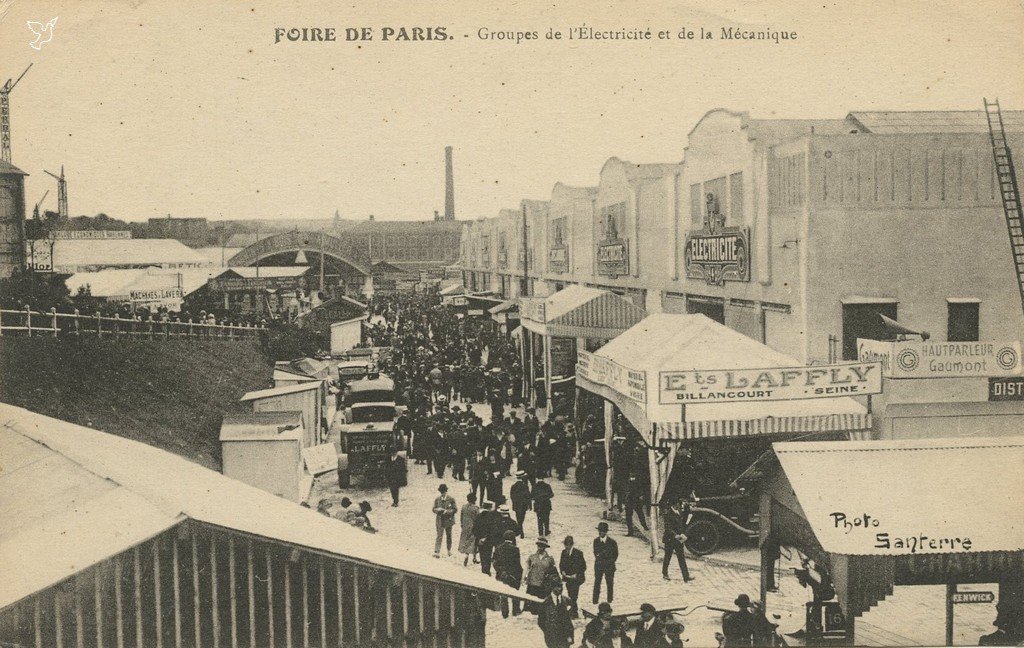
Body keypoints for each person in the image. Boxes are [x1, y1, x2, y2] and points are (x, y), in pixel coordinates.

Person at [492, 530, 523, 618]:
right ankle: (515, 610)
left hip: (501, 575)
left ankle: (504, 613)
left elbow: (494, 562)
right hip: (512, 575)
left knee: (503, 594)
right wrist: (518, 575)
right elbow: (517, 564)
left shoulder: (498, 548)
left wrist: (501, 571)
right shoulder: (515, 549)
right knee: (514, 592)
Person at [662, 501, 693, 582]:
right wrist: (675, 535)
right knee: (667, 557)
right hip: (670, 539)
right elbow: (667, 527)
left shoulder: (679, 512)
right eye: (678, 505)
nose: (679, 506)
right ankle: (664, 573)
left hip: (678, 540)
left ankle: (686, 576)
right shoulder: (668, 513)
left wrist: (682, 534)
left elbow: (682, 524)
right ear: (674, 505)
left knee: (681, 558)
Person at [538, 581, 575, 648]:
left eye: (561, 586)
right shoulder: (545, 603)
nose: (560, 589)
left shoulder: (567, 600)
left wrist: (570, 635)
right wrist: (548, 632)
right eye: (557, 587)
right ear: (552, 588)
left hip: (565, 636)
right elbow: (541, 621)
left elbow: (569, 620)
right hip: (552, 637)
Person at [525, 537, 557, 613]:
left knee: (541, 607)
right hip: (532, 584)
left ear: (545, 547)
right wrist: (525, 577)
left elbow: (553, 571)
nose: (540, 547)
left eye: (542, 546)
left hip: (542, 585)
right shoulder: (532, 557)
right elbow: (527, 568)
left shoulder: (549, 559)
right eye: (539, 545)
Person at [558, 535, 586, 617]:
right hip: (568, 578)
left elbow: (583, 566)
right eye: (566, 545)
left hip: (577, 578)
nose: (567, 547)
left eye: (568, 545)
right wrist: (562, 571)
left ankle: (574, 611)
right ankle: (574, 609)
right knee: (570, 593)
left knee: (574, 594)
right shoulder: (563, 552)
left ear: (572, 545)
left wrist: (576, 574)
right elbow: (561, 564)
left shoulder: (578, 553)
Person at [592, 522, 619, 605]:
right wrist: (603, 556)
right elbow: (596, 553)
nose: (601, 533)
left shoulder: (612, 542)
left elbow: (615, 555)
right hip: (599, 566)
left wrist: (608, 560)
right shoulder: (596, 541)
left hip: (609, 566)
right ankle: (595, 601)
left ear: (606, 532)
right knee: (597, 583)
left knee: (610, 584)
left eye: (603, 531)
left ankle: (609, 600)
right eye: (599, 531)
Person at [433, 483, 458, 557]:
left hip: (448, 520)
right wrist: (437, 510)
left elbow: (455, 509)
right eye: (441, 492)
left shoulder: (451, 499)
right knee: (439, 535)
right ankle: (437, 551)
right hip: (440, 520)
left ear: (446, 491)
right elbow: (433, 508)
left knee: (449, 535)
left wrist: (447, 511)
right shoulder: (437, 499)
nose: (442, 494)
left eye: (443, 492)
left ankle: (449, 550)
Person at [459, 492, 480, 567]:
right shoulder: (476, 508)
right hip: (473, 527)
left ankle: (466, 555)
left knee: (466, 542)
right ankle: (474, 557)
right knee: (474, 542)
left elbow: (461, 517)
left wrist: (462, 524)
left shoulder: (463, 507)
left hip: (465, 526)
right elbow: (478, 518)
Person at [476, 502, 498, 575]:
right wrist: (487, 537)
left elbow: (474, 529)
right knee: (488, 556)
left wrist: (480, 537)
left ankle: (483, 570)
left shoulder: (478, 516)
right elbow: (493, 529)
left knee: (482, 556)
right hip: (489, 541)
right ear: (490, 508)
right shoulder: (492, 517)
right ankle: (487, 571)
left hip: (480, 541)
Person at [510, 471, 532, 538]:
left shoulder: (513, 486)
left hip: (516, 505)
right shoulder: (525, 486)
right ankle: (521, 530)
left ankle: (520, 529)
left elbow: (512, 496)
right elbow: (528, 496)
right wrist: (530, 505)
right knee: (521, 518)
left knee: (518, 518)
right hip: (523, 505)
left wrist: (514, 503)